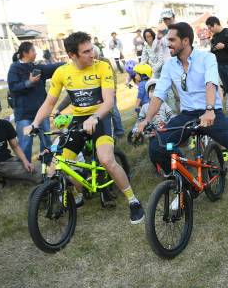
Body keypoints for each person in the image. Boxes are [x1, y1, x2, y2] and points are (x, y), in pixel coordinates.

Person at [139, 22, 228, 218]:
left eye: (172, 40)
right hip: (187, 114)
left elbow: (210, 82)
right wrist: (145, 120)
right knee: (157, 147)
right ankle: (184, 185)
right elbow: (159, 94)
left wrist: (210, 110)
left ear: (185, 40)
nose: (168, 43)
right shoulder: (169, 65)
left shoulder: (207, 58)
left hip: (212, 112)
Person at [25, 31, 144, 224]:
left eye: (92, 49)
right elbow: (49, 102)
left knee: (106, 160)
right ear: (73, 55)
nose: (92, 54)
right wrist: (35, 124)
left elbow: (109, 101)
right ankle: (81, 190)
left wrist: (95, 117)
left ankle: (133, 200)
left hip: (101, 118)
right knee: (57, 166)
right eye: (86, 51)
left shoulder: (102, 67)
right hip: (78, 119)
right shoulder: (63, 72)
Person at [7, 41, 63, 162]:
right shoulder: (14, 68)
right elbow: (13, 88)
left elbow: (53, 67)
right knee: (25, 143)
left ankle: (46, 164)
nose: (36, 53)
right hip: (24, 114)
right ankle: (25, 168)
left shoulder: (36, 67)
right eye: (33, 51)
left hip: (42, 112)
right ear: (25, 53)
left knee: (46, 140)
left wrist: (71, 62)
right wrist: (29, 82)